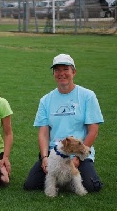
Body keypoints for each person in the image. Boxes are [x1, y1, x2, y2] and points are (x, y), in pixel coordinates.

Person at [23, 54, 104, 192]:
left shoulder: (87, 96)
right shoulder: (46, 100)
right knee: (31, 185)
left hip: (79, 152)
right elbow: (43, 133)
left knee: (91, 186)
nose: (61, 74)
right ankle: (61, 180)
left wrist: (78, 157)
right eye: (57, 70)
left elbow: (93, 131)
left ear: (74, 72)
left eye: (65, 69)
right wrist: (44, 157)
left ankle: (70, 179)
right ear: (53, 74)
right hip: (55, 153)